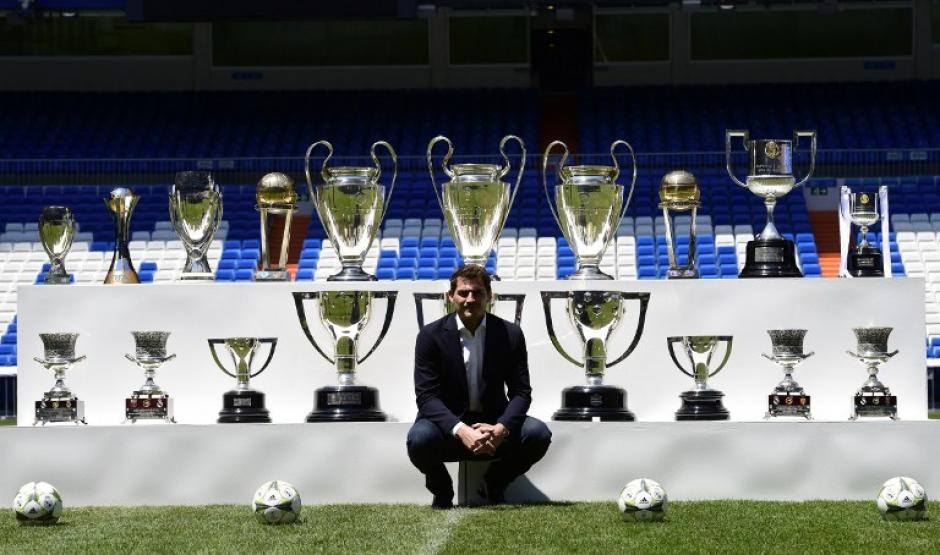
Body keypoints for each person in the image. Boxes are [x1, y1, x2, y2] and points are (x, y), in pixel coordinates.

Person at [407, 265, 552, 509]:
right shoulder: (430, 336)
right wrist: (461, 430)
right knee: (419, 439)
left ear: (489, 296)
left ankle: (495, 482)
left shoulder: (511, 334)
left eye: (478, 293)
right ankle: (442, 491)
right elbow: (426, 397)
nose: (470, 299)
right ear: (450, 296)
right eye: (463, 293)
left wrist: (501, 428)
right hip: (448, 428)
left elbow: (521, 392)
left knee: (538, 434)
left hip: (493, 427)